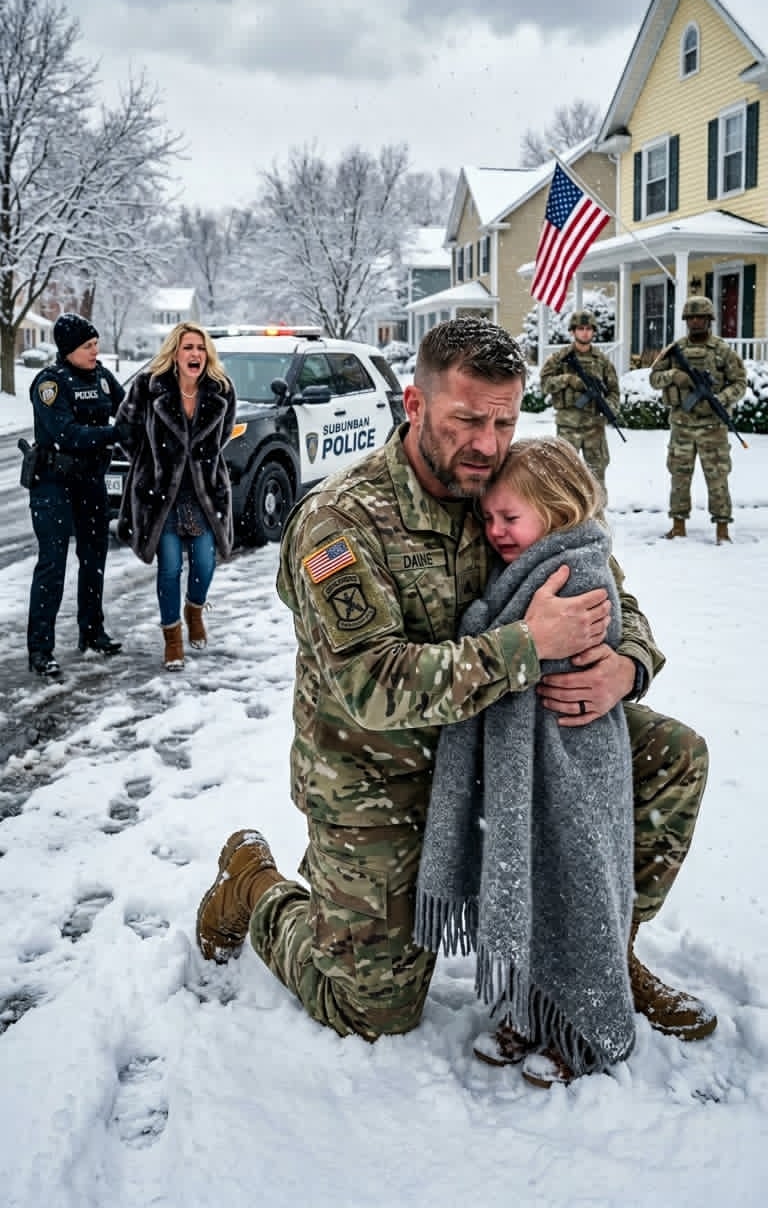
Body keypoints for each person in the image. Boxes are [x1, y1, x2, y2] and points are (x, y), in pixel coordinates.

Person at [196, 318, 715, 1054]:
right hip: (382, 772)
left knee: (673, 756)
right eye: (467, 420)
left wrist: (626, 664)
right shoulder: (340, 523)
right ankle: (254, 886)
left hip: (505, 740)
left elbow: (605, 587)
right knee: (374, 1009)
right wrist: (529, 645)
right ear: (414, 404)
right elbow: (371, 684)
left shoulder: (509, 486)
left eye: (504, 422)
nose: (487, 444)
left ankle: (596, 955)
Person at [415, 438, 634, 1088]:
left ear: (559, 510)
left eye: (510, 518)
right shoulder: (525, 566)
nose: (495, 531)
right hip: (524, 764)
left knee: (576, 891)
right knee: (527, 883)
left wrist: (627, 666)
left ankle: (582, 1025)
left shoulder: (575, 572)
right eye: (489, 518)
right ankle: (527, 1006)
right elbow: (518, 639)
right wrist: (514, 633)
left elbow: (591, 633)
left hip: (573, 764)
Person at [115, 322, 236, 669]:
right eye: (188, 348)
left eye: (200, 348)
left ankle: (194, 609)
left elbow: (223, 435)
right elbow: (125, 429)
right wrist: (149, 462)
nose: (195, 354)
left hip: (203, 493)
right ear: (175, 353)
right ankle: (173, 640)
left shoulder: (221, 390)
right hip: (159, 494)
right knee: (169, 567)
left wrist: (199, 462)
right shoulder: (148, 387)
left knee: (205, 564)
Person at [26, 313, 125, 679]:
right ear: (68, 350)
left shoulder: (102, 378)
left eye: (96, 344)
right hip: (53, 483)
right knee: (52, 565)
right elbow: (67, 433)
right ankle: (40, 650)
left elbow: (128, 407)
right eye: (87, 346)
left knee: (94, 558)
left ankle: (92, 631)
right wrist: (114, 434)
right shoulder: (50, 383)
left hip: (90, 482)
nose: (95, 351)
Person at [648, 295, 747, 544]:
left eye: (700, 317)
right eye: (691, 317)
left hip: (713, 427)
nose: (695, 321)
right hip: (682, 425)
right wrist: (674, 375)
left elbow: (739, 383)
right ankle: (678, 525)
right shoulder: (675, 350)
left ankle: (722, 529)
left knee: (718, 478)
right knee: (679, 477)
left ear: (709, 319)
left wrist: (722, 398)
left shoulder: (722, 350)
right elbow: (654, 378)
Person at [539, 310, 621, 489]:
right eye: (581, 328)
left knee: (597, 478)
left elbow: (614, 392)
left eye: (589, 329)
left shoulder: (602, 361)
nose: (585, 332)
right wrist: (567, 379)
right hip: (568, 427)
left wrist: (608, 408)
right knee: (565, 476)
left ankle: (597, 507)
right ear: (573, 331)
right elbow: (544, 384)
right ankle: (568, 508)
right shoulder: (560, 359)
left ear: (593, 331)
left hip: (595, 428)